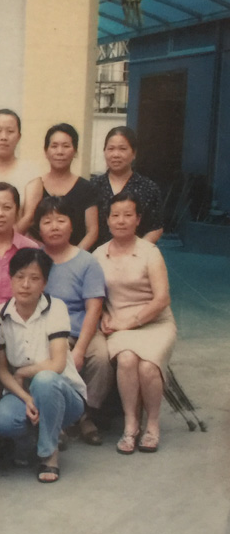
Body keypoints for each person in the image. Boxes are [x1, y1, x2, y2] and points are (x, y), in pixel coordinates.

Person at [0, 248, 88, 483]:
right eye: (20, 277)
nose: (26, 285)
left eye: (34, 278)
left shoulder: (56, 308)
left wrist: (24, 371)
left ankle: (49, 455)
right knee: (1, 420)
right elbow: (1, 369)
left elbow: (57, 364)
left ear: (44, 283)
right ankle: (30, 442)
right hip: (22, 391)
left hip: (63, 393)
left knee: (45, 380)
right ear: (11, 279)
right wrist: (26, 398)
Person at [93, 191, 177, 454]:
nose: (121, 221)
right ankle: (130, 424)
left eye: (128, 215)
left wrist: (129, 322)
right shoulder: (98, 254)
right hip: (118, 322)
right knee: (127, 359)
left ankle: (152, 424)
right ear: (107, 220)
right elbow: (95, 296)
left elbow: (162, 299)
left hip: (155, 323)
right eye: (115, 215)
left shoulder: (150, 252)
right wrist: (104, 316)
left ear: (138, 219)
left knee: (148, 367)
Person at [34, 195, 110, 445]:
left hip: (82, 328)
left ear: (72, 225)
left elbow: (93, 309)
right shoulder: (35, 259)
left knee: (101, 357)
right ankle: (58, 418)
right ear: (39, 228)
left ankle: (86, 415)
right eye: (47, 221)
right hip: (46, 331)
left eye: (61, 220)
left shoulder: (87, 261)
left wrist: (80, 349)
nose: (54, 227)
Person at [20, 123, 98, 249]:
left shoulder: (87, 188)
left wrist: (74, 257)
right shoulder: (35, 186)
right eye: (54, 146)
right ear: (46, 151)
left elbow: (92, 232)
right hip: (39, 256)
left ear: (75, 151)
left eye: (66, 146)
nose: (60, 152)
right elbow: (28, 228)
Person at [91, 126, 164, 247]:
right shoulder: (92, 187)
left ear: (134, 153)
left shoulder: (149, 188)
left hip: (136, 254)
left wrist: (136, 251)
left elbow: (156, 228)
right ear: (104, 152)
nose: (116, 154)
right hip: (98, 255)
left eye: (122, 149)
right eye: (111, 149)